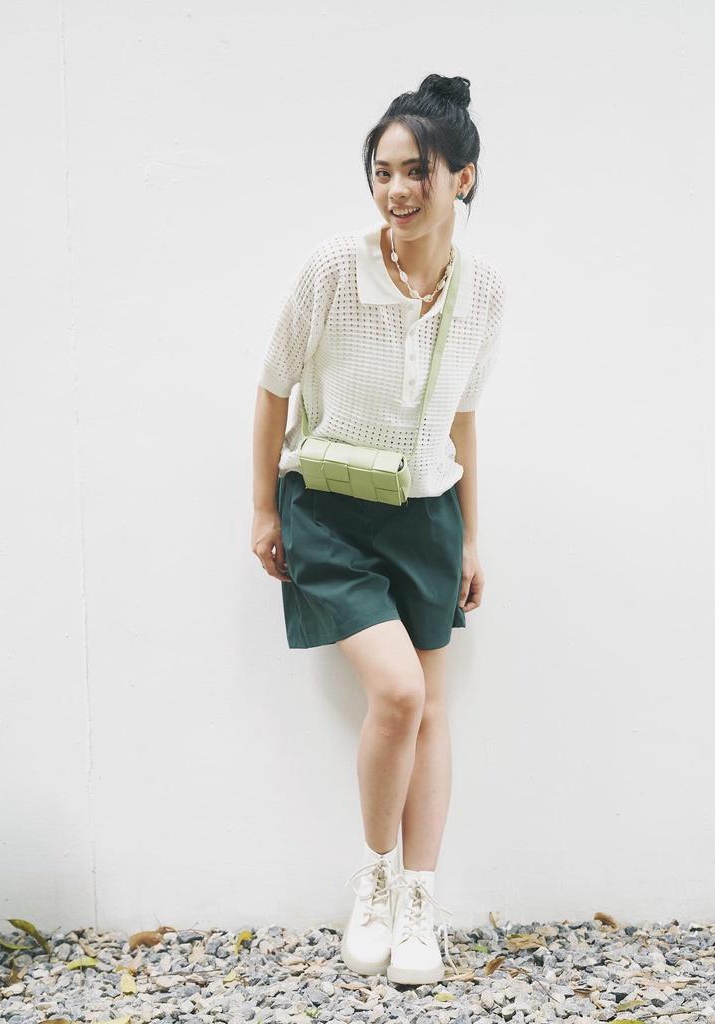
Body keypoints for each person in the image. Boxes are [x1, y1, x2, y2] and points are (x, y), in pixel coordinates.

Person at [250, 73, 506, 985]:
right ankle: (376, 878)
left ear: (460, 179)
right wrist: (261, 507)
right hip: (328, 510)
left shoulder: (485, 292)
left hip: (427, 511)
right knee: (397, 694)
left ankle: (422, 907)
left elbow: (463, 421)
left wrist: (469, 536)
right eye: (382, 172)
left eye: (416, 172)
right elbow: (274, 387)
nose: (396, 190)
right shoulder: (333, 268)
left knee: (431, 709)